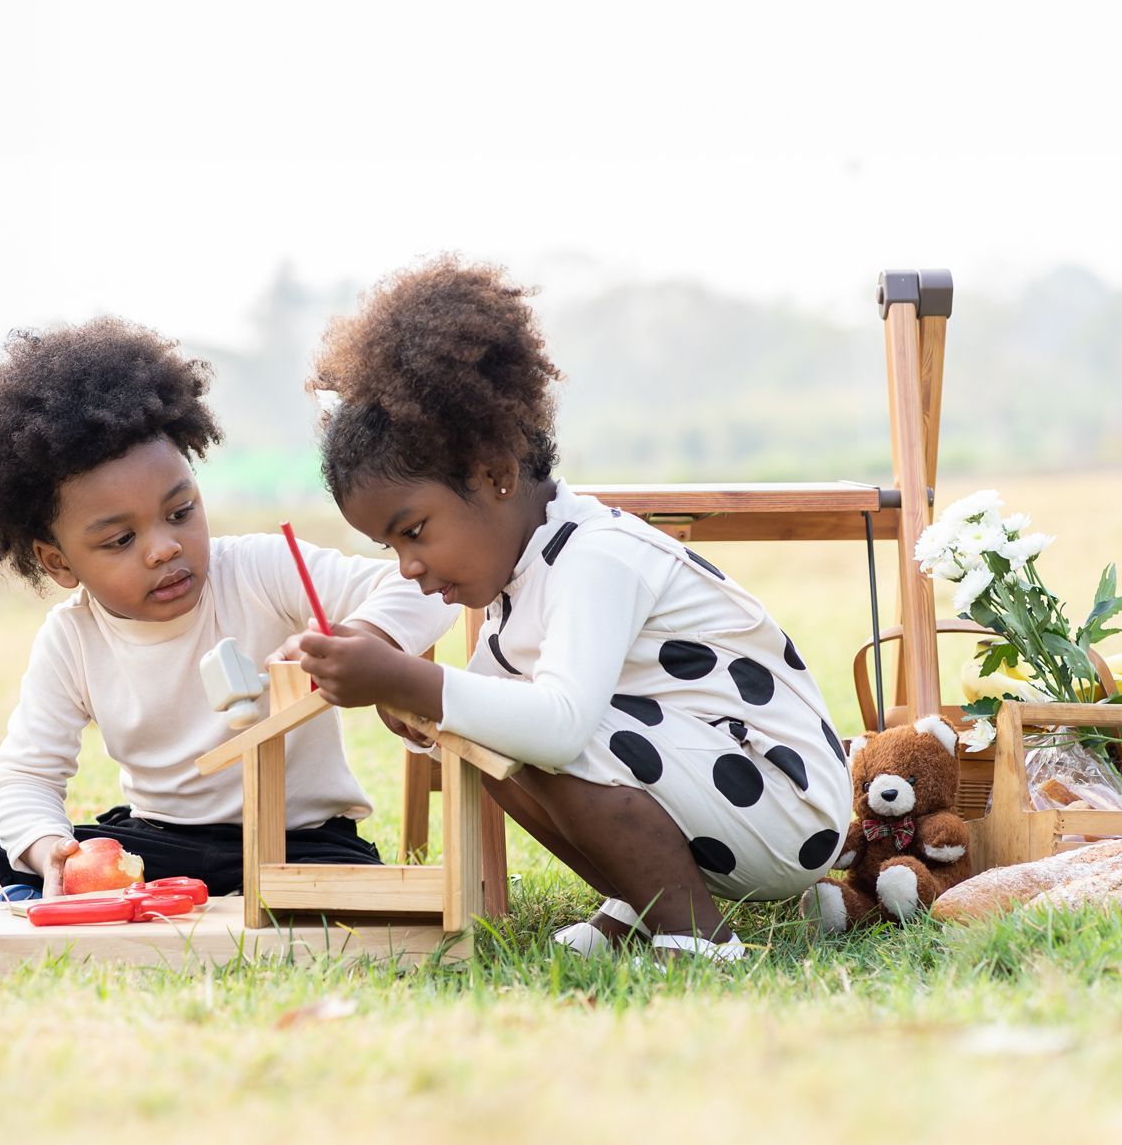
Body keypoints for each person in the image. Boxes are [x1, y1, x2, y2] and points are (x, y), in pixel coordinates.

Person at [0, 317, 453, 972]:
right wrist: (52, 851)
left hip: (304, 841)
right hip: (160, 844)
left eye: (180, 511)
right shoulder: (72, 638)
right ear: (59, 561)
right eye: (121, 539)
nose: (164, 548)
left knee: (342, 907)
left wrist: (367, 637)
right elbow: (24, 778)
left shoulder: (260, 569)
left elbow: (419, 585)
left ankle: (39, 909)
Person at [291, 258, 851, 962]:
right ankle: (641, 902)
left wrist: (409, 682)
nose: (407, 565)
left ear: (494, 474)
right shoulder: (516, 581)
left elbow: (559, 730)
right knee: (492, 724)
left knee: (537, 722)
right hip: (710, 792)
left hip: (778, 797)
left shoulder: (596, 555)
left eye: (414, 531)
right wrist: (417, 711)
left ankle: (698, 935)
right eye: (388, 545)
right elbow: (501, 721)